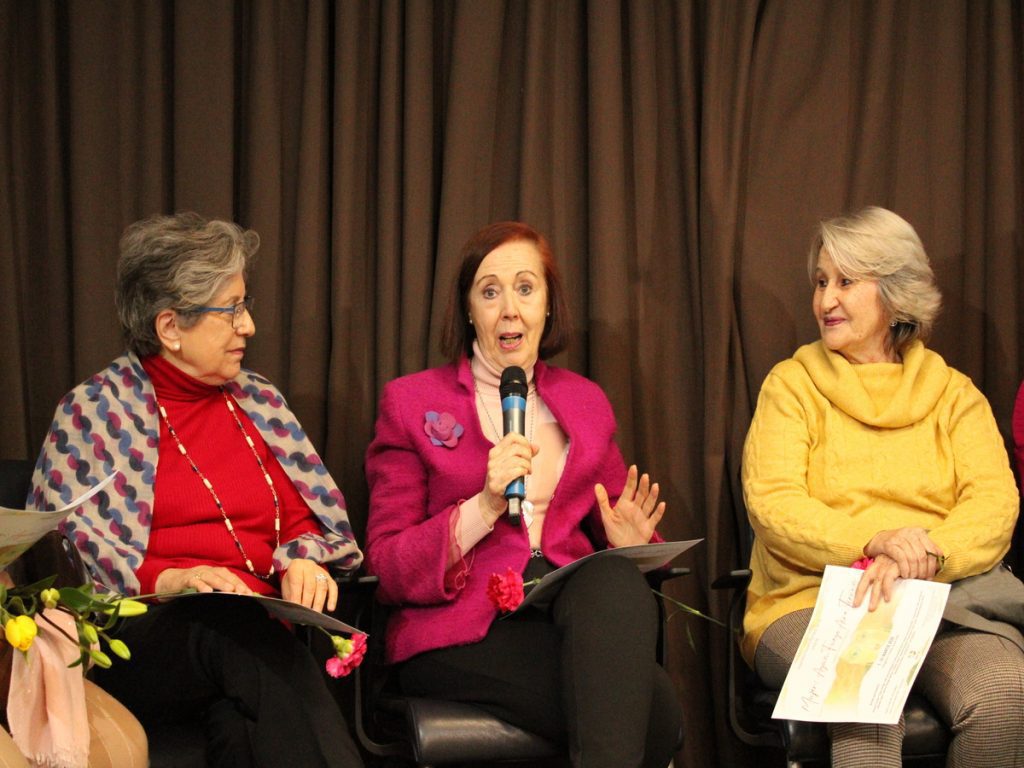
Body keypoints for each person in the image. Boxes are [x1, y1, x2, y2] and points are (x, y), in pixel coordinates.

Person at [27, 213, 365, 767]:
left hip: (256, 645)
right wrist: (170, 579)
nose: (248, 325)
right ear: (170, 327)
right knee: (231, 619)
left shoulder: (260, 402)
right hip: (141, 638)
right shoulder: (93, 412)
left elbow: (305, 515)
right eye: (231, 310)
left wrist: (303, 558)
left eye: (245, 305)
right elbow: (62, 558)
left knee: (244, 726)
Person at [364, 221, 682, 768]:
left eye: (525, 289)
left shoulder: (585, 401)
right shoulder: (410, 402)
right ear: (469, 310)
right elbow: (388, 565)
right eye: (490, 292)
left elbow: (617, 520)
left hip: (564, 616)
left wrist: (629, 544)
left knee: (612, 577)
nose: (510, 309)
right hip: (460, 632)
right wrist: (483, 507)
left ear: (547, 306)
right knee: (656, 715)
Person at [742, 206, 1024, 767]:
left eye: (846, 281)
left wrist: (924, 555)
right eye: (821, 282)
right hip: (809, 601)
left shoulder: (954, 394)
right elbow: (774, 504)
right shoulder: (791, 387)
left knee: (1005, 693)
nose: (826, 300)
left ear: (896, 294)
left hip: (938, 599)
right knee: (866, 690)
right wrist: (876, 541)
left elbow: (993, 505)